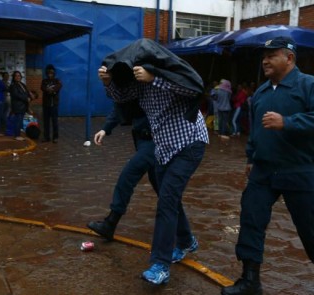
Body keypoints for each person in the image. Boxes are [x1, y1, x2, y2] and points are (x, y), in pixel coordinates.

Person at [99, 38, 209, 285]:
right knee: (169, 198)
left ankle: (160, 264)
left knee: (167, 200)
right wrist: (108, 82)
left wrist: (154, 77)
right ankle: (186, 241)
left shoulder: (166, 77)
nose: (137, 68)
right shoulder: (139, 85)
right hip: (164, 148)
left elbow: (192, 89)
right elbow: (123, 96)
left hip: (189, 144)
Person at [221, 36, 314, 295]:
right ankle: (250, 281)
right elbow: (255, 132)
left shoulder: (308, 85)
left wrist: (288, 122)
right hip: (263, 169)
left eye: (272, 55)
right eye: (264, 56)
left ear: (290, 58)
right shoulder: (261, 92)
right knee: (251, 219)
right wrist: (251, 157)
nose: (265, 60)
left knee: (309, 228)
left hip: (299, 168)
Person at [87, 101, 158, 240]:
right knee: (163, 188)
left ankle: (111, 223)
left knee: (128, 177)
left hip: (154, 141)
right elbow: (121, 103)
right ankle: (185, 235)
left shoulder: (150, 83)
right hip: (142, 139)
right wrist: (106, 128)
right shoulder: (130, 87)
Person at [40, 64, 62, 143]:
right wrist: (49, 90)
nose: (50, 75)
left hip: (54, 104)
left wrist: (51, 90)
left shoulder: (57, 81)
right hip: (46, 105)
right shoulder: (44, 81)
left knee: (54, 121)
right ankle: (46, 137)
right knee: (46, 122)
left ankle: (55, 137)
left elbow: (59, 86)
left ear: (54, 73)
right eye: (49, 73)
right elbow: (43, 88)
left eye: (51, 73)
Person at [9, 71, 31, 141]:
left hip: (23, 106)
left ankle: (19, 134)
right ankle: (16, 135)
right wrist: (26, 98)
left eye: (19, 76)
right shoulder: (13, 85)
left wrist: (29, 97)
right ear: (14, 77)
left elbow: (26, 92)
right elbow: (16, 95)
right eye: (16, 76)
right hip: (17, 106)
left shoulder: (22, 84)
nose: (18, 77)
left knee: (20, 120)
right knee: (17, 121)